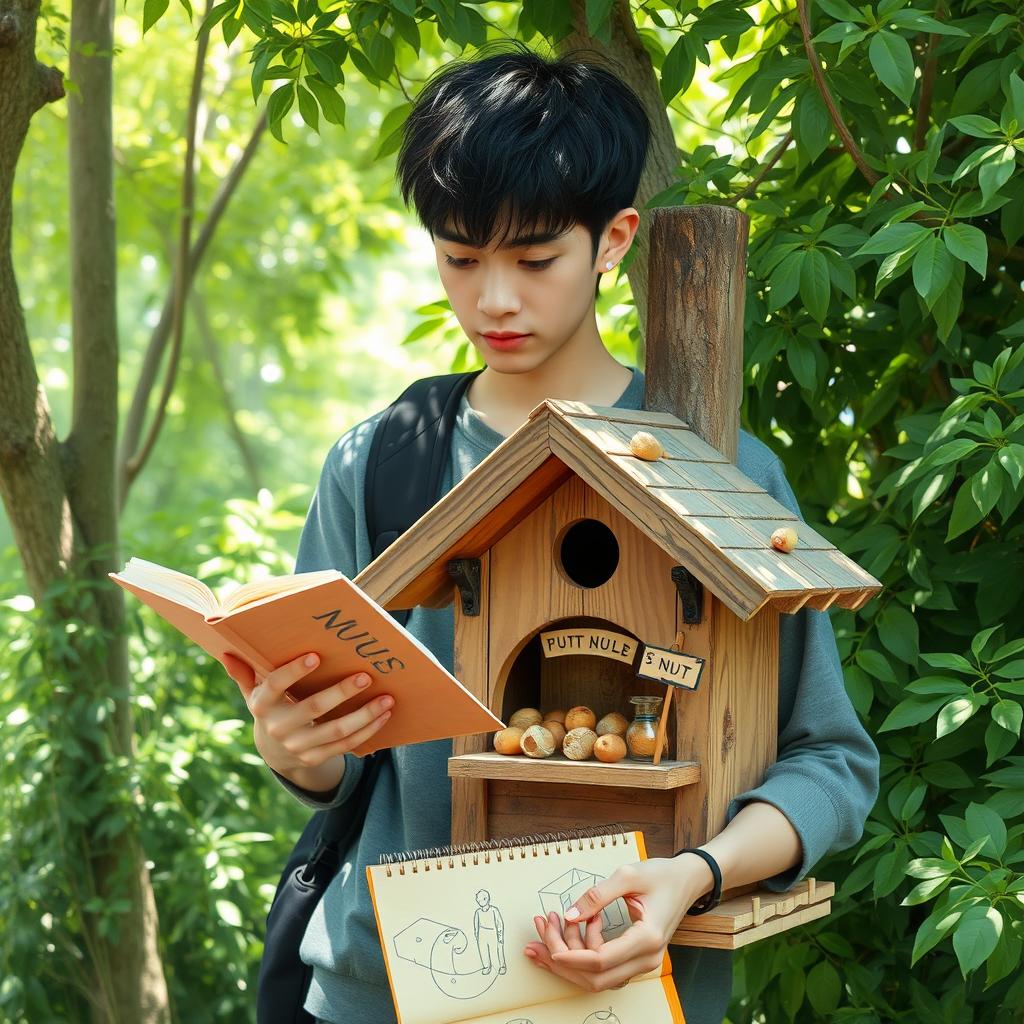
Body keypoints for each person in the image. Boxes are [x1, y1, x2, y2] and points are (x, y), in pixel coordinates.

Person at [222, 40, 880, 1024]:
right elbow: (338, 765)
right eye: (459, 258)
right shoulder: (381, 462)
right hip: (380, 990)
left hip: (617, 993)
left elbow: (830, 759)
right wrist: (296, 746)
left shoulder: (721, 473)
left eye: (534, 260)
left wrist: (694, 875)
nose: (492, 298)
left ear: (612, 240)